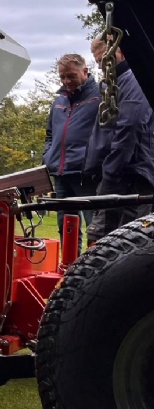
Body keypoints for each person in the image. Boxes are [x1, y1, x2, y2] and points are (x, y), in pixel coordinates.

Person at [84, 37, 154, 244]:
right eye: (99, 62)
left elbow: (131, 125)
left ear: (121, 53)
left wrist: (111, 171)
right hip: (122, 170)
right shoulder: (116, 83)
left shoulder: (134, 79)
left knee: (107, 236)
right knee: (118, 237)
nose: (102, 66)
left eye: (106, 60)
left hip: (129, 173)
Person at [41, 53, 100, 251]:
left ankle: (95, 267)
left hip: (87, 174)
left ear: (85, 71)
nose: (67, 81)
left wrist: (93, 160)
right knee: (66, 226)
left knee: (95, 227)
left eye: (71, 76)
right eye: (63, 77)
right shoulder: (59, 102)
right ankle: (70, 266)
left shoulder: (100, 96)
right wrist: (48, 156)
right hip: (60, 173)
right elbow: (50, 134)